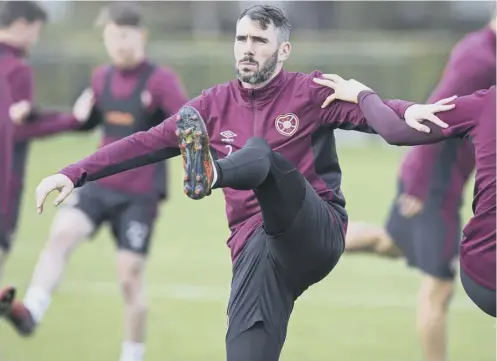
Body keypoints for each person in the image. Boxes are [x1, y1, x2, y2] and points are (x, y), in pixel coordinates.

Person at [0, 5, 452, 361]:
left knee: (260, 157)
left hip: (315, 229)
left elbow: (394, 126)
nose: (247, 48)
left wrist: (401, 105)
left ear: (283, 50)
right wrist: (70, 173)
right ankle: (212, 171)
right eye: (241, 38)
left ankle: (212, 172)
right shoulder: (212, 104)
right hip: (254, 249)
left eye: (259, 40)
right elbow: (143, 142)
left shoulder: (312, 91)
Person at [1, 3, 189, 361]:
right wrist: (35, 114)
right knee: (61, 234)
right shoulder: (101, 78)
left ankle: (131, 356)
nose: (117, 44)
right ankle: (31, 314)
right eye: (110, 37)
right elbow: (84, 121)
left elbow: (188, 124)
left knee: (129, 277)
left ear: (141, 36)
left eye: (123, 36)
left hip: (139, 195)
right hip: (98, 185)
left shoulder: (160, 81)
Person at [342, 19, 496, 361]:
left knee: (391, 243)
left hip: (443, 179)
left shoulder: (484, 50)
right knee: (439, 286)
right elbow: (432, 112)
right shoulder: (480, 59)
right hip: (432, 183)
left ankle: (311, 235)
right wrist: (416, 183)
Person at [315, 74, 495, 318]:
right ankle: (308, 236)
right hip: (485, 269)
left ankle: (308, 235)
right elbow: (401, 128)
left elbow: (396, 130)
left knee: (390, 242)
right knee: (393, 243)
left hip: (480, 269)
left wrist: (362, 95)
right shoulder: (480, 74)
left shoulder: (487, 103)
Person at [0, 0, 94, 282]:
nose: (36, 39)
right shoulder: (17, 69)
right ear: (22, 26)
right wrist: (74, 120)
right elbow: (14, 129)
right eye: (37, 30)